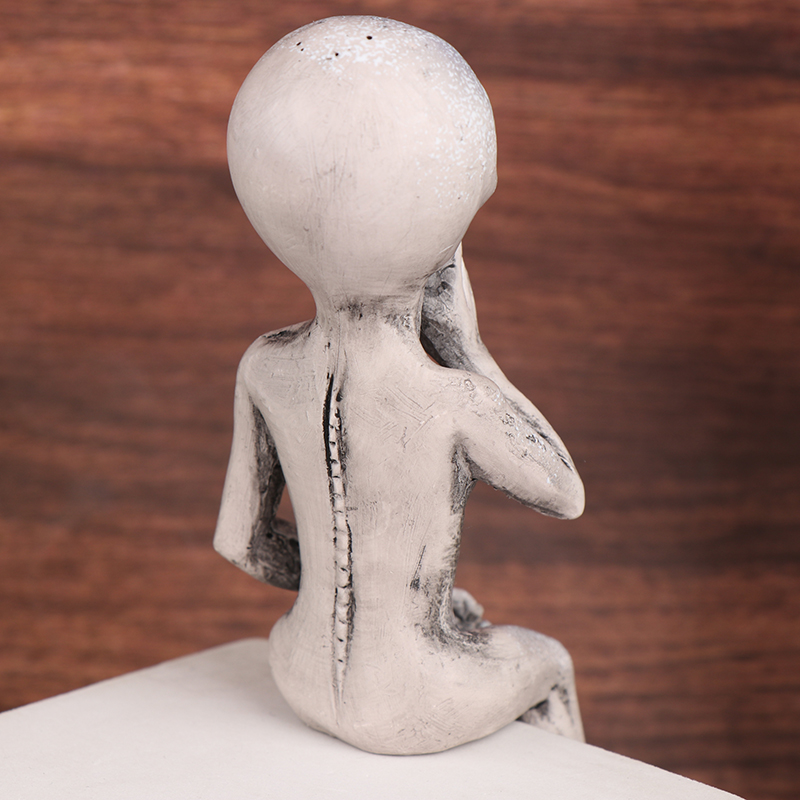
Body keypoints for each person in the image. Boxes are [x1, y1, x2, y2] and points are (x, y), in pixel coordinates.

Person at [214, 15, 585, 754]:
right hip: (410, 701)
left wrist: (342, 590)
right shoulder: (452, 400)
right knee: (550, 665)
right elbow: (565, 492)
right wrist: (469, 349)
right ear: (446, 236)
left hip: (297, 671)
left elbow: (243, 546)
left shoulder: (265, 366)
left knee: (453, 625)